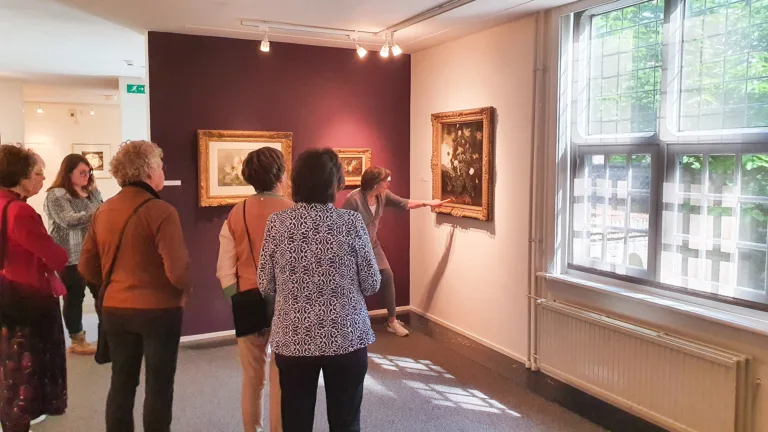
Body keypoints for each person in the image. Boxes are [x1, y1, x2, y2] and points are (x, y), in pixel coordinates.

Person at [258, 148, 381, 432]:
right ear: (335, 183)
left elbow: (265, 283)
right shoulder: (350, 224)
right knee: (346, 420)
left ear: (297, 182)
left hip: (294, 338)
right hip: (346, 337)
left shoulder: (278, 224)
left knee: (296, 421)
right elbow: (372, 283)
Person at [78, 140, 191, 432]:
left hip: (115, 309)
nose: (163, 171)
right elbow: (178, 271)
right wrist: (185, 292)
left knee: (122, 382)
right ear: (149, 170)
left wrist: (116, 285)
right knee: (159, 385)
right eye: (160, 166)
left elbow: (87, 266)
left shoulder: (103, 211)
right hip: (159, 311)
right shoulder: (162, 211)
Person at [216, 147, 292, 432]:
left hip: (248, 300)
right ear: (280, 175)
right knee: (281, 378)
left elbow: (225, 266)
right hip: (287, 304)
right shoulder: (292, 211)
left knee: (252, 378)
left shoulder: (237, 212)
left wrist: (236, 296)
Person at [0, 145, 69, 432]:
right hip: (27, 302)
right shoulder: (20, 211)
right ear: (21, 177)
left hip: (9, 295)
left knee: (9, 377)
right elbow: (56, 257)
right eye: (37, 174)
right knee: (23, 384)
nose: (43, 179)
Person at [342, 167, 447, 336]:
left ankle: (392, 321)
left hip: (373, 245)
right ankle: (350, 323)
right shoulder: (353, 200)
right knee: (355, 283)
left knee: (387, 275)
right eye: (386, 180)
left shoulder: (383, 195)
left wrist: (427, 203)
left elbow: (404, 203)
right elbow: (342, 227)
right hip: (353, 248)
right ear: (375, 183)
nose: (388, 183)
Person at [44, 154, 103, 355]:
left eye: (89, 172)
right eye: (82, 172)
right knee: (74, 298)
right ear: (68, 173)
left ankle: (107, 337)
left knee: (102, 294)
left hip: (94, 253)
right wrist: (97, 213)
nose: (87, 176)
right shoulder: (56, 195)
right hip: (69, 256)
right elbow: (68, 220)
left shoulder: (93, 192)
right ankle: (77, 340)